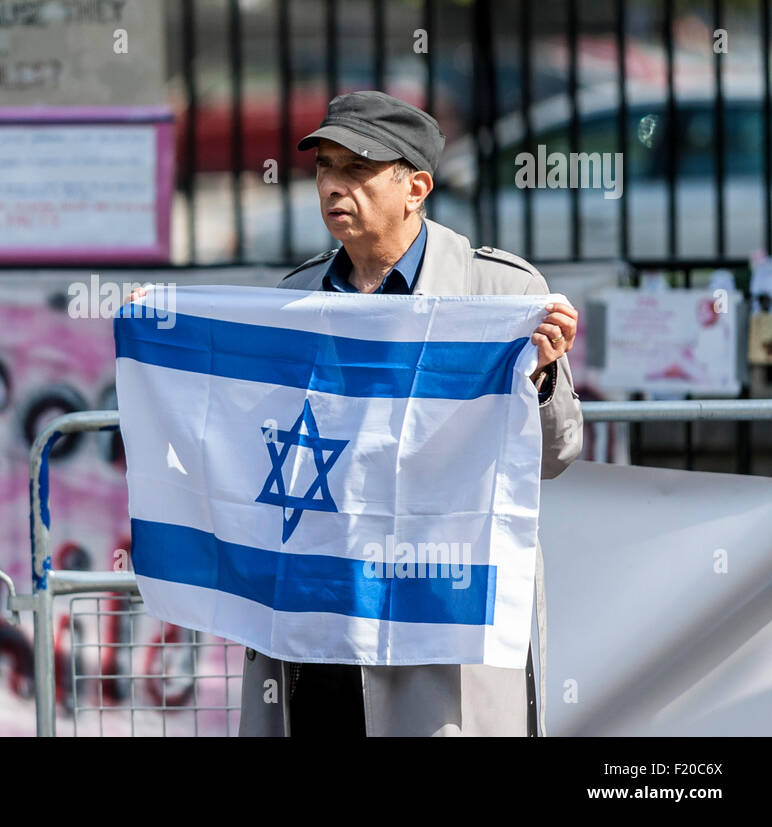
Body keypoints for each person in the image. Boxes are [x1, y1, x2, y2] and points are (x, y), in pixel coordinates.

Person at [233, 90, 583, 736]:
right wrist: (164, 337)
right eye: (326, 167)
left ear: (415, 187)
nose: (334, 186)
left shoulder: (501, 293)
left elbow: (558, 454)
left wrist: (542, 376)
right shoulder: (293, 298)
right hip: (322, 635)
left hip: (439, 635)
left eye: (357, 169)